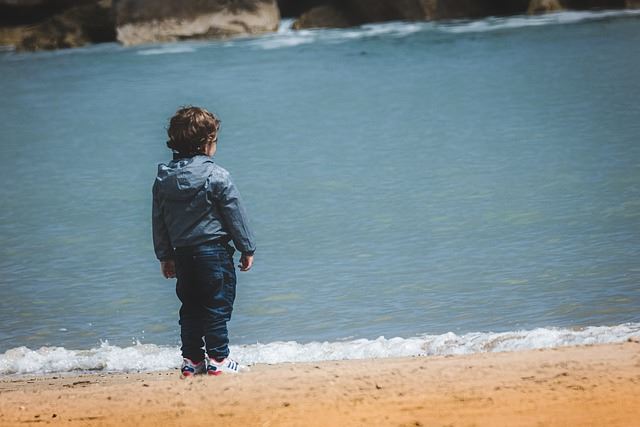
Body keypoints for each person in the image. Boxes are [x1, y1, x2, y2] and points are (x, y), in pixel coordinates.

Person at [152, 106, 256, 377]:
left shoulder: (164, 180)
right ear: (207, 144)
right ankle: (219, 359)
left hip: (183, 254)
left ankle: (192, 360)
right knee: (217, 305)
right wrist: (247, 247)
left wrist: (165, 255)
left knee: (190, 308)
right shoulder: (217, 175)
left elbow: (159, 220)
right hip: (214, 254)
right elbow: (234, 214)